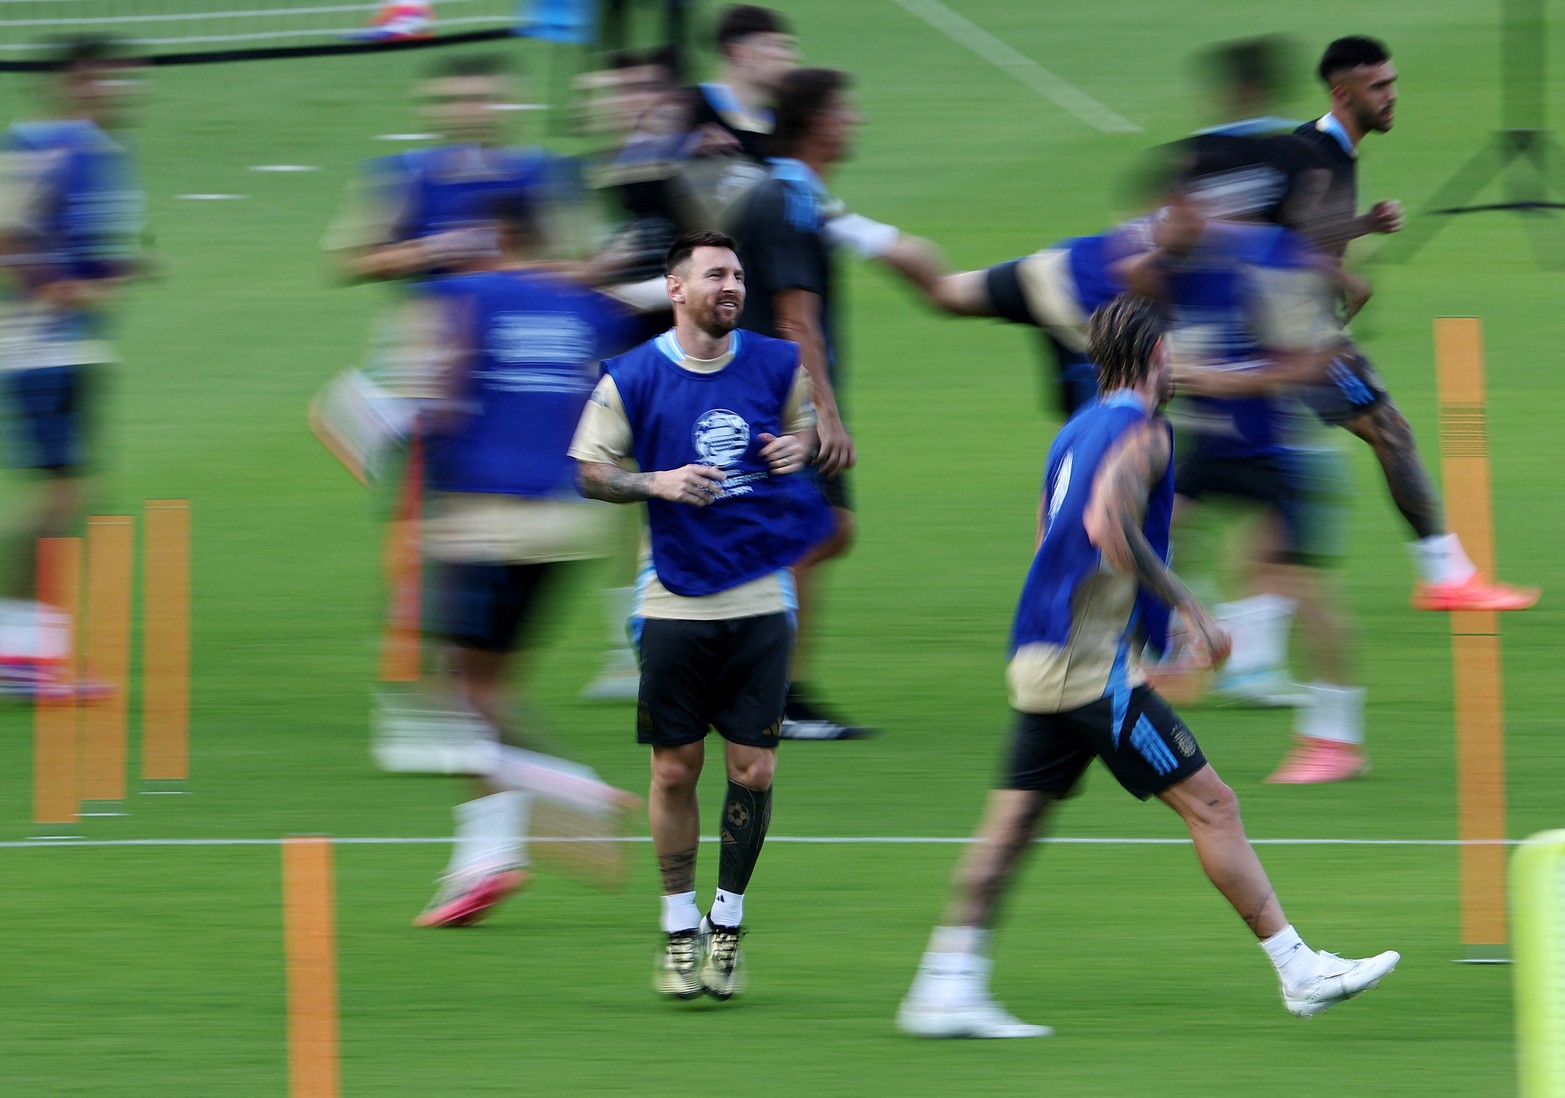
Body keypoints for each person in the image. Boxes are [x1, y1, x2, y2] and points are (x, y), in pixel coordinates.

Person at [897, 293, 1400, 1039]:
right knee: (1211, 804)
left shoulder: (1074, 430)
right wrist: (1190, 610)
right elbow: (1106, 527)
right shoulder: (1144, 433)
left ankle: (943, 986)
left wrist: (1138, 630)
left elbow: (1048, 538)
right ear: (1156, 356)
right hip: (1088, 672)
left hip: (1042, 655)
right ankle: (1299, 969)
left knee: (1008, 832)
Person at [570, 230, 832, 1000]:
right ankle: (677, 925)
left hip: (761, 594)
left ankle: (727, 924)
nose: (732, 286)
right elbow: (590, 472)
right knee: (674, 768)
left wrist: (798, 448)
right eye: (715, 274)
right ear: (675, 288)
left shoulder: (777, 362)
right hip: (673, 599)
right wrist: (658, 483)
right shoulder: (633, 377)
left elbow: (807, 428)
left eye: (739, 275)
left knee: (753, 766)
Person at [411, 198, 641, 926]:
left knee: (457, 696)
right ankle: (481, 864)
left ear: (493, 236)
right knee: (490, 689)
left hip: (482, 518)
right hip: (566, 525)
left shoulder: (462, 293)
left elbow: (437, 398)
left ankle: (565, 790)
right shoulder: (582, 309)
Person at [1289, 36, 1537, 613]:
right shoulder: (1317, 154)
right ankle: (1446, 576)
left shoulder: (1328, 151)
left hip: (1286, 331)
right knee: (1390, 430)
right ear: (1342, 92)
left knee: (1266, 476)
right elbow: (1285, 240)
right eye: (1379, 86)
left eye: (1393, 82)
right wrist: (1350, 277)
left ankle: (1230, 641)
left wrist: (1361, 227)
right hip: (1294, 335)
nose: (1393, 95)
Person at [729, 66, 873, 739]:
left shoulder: (792, 194)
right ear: (816, 120)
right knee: (804, 534)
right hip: (780, 397)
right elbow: (794, 320)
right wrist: (822, 413)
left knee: (824, 531)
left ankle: (769, 686)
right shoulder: (788, 197)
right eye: (846, 110)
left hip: (773, 392)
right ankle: (771, 696)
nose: (855, 121)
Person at [0, 35, 146, 697]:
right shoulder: (37, 146)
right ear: (70, 83)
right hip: (40, 344)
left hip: (74, 345)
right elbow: (7, 240)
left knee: (66, 497)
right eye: (99, 80)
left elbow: (85, 254)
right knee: (61, 499)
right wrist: (58, 286)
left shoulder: (106, 153)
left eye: (120, 80)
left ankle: (26, 653)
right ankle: (21, 658)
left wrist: (117, 272)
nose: (114, 91)